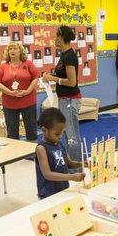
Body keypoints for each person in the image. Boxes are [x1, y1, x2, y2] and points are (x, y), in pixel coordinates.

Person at [42, 25, 82, 161]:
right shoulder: (64, 55)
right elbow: (62, 75)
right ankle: (72, 162)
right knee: (67, 135)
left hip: (70, 100)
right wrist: (50, 76)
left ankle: (76, 167)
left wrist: (53, 79)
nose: (54, 39)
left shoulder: (70, 56)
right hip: (64, 99)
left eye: (56, 36)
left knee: (72, 136)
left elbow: (72, 82)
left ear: (61, 37)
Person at [35, 108, 85, 199]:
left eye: (62, 133)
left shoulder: (60, 143)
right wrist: (72, 176)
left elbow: (68, 163)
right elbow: (47, 174)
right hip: (48, 195)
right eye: (57, 134)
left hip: (63, 190)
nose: (60, 136)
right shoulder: (41, 148)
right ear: (44, 130)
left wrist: (82, 163)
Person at [0, 42, 40, 141]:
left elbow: (36, 77)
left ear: (20, 51)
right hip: (10, 104)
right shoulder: (3, 66)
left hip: (28, 102)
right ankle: (16, 154)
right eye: (10, 49)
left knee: (31, 131)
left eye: (15, 48)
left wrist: (27, 91)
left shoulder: (28, 63)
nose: (12, 51)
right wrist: (10, 92)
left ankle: (32, 154)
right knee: (12, 133)